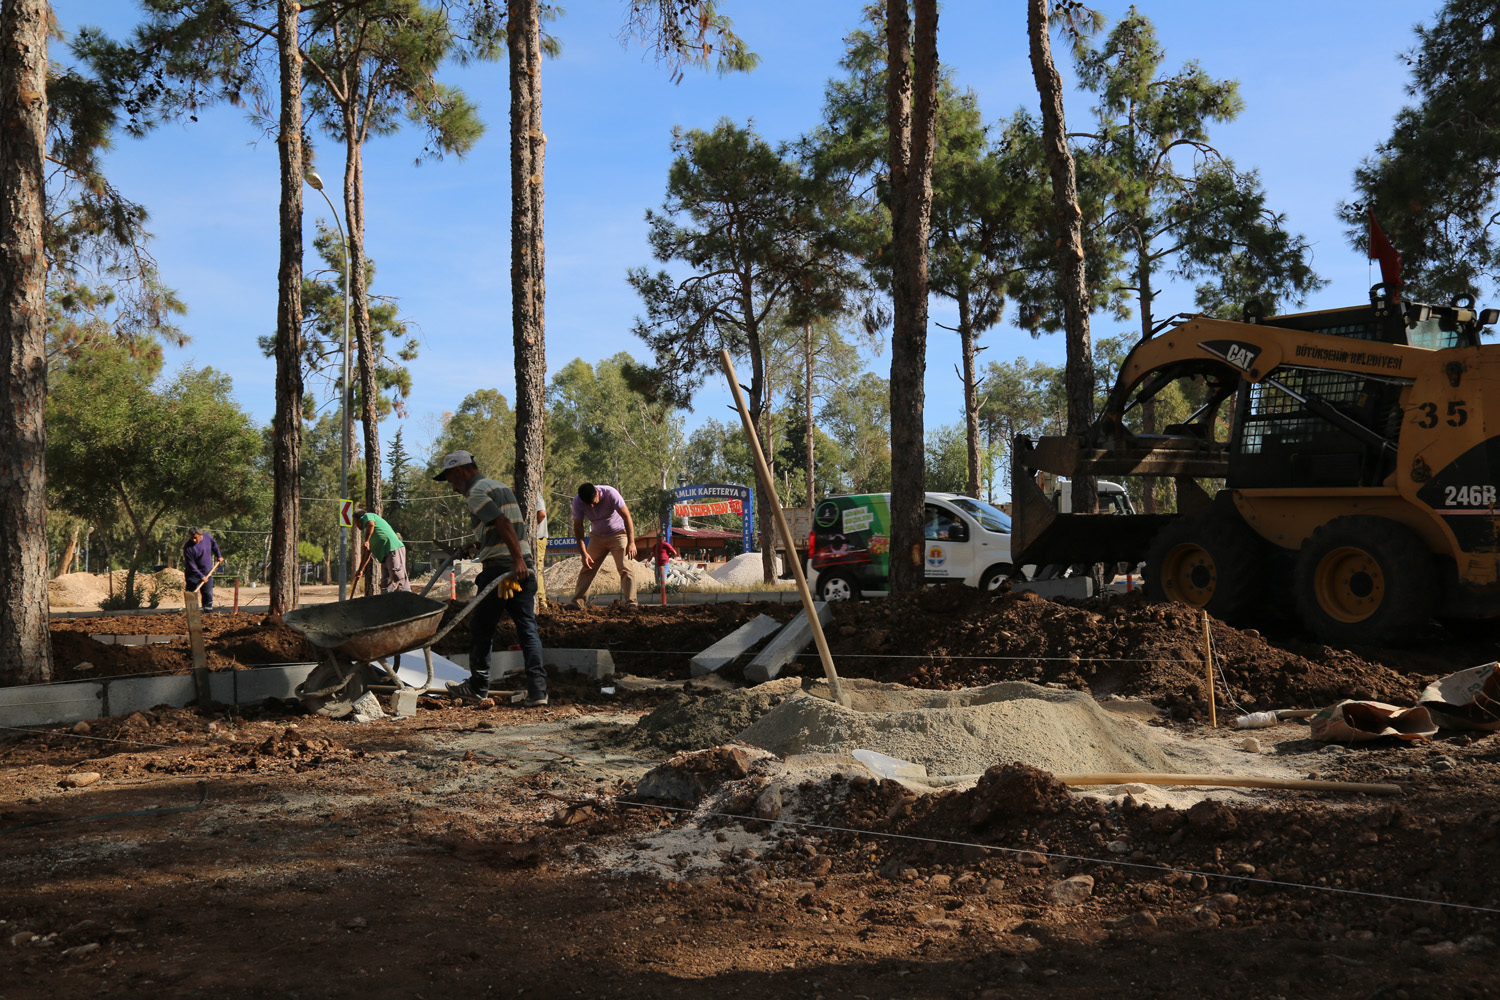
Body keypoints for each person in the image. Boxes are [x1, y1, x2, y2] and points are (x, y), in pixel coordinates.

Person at [433, 450, 547, 707]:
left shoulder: (475, 493)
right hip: (523, 567)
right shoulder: (497, 486)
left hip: (503, 569)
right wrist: (478, 545)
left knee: (481, 628)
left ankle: (478, 686)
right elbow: (500, 527)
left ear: (460, 471)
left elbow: (503, 522)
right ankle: (539, 691)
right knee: (527, 629)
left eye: (451, 479)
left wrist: (514, 559)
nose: (452, 487)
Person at [570, 482, 638, 608]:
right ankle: (577, 603)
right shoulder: (577, 501)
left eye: (593, 502)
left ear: (597, 493)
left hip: (618, 534)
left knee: (625, 567)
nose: (591, 506)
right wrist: (583, 553)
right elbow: (578, 527)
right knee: (587, 566)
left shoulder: (610, 493)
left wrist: (631, 542)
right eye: (587, 504)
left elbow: (627, 516)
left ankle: (631, 603)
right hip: (597, 536)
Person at [354, 508, 410, 592]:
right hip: (384, 556)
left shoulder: (368, 516)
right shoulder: (366, 531)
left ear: (357, 519)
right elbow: (367, 554)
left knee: (397, 576)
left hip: (392, 548)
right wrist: (360, 570)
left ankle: (407, 599)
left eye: (354, 522)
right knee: (386, 582)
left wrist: (367, 541)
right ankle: (386, 602)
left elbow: (371, 524)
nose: (355, 525)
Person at [183, 527, 224, 611]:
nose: (193, 540)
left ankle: (208, 614)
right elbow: (191, 565)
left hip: (207, 573)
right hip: (193, 575)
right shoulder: (188, 548)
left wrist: (219, 555)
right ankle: (192, 615)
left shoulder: (208, 537)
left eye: (195, 538)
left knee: (208, 594)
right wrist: (201, 576)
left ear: (201, 535)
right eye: (192, 538)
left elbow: (214, 546)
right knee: (192, 595)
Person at [533, 500, 549, 606]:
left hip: (537, 538)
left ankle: (541, 601)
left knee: (536, 569)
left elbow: (542, 514)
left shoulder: (535, 495)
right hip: (536, 538)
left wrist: (531, 528)